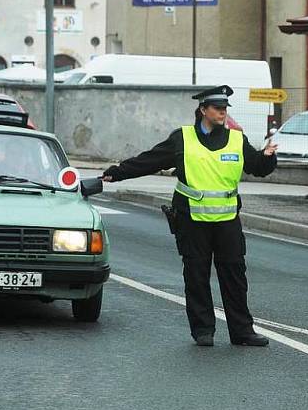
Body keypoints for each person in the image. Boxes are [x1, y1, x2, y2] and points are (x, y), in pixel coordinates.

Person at [103, 85, 279, 347]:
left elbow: (257, 167)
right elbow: (150, 160)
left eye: (225, 109)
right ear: (203, 110)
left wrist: (267, 157)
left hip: (227, 222)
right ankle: (203, 331)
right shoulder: (182, 139)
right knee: (196, 276)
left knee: (235, 276)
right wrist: (116, 173)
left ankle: (242, 332)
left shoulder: (236, 139)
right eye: (218, 108)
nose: (223, 112)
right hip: (191, 220)